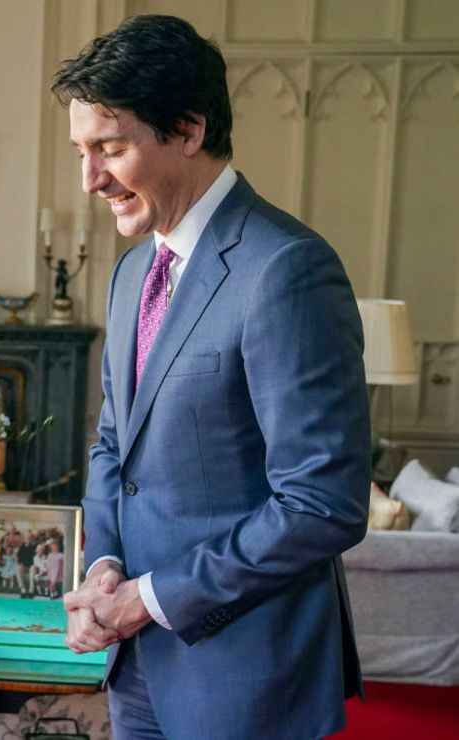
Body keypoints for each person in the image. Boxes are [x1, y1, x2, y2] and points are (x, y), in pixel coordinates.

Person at [52, 15, 371, 740]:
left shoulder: (287, 269)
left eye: (111, 148)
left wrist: (152, 598)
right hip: (136, 669)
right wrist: (105, 567)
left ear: (188, 131)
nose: (91, 179)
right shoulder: (134, 272)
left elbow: (323, 503)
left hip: (249, 679)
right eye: (81, 151)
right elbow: (112, 449)